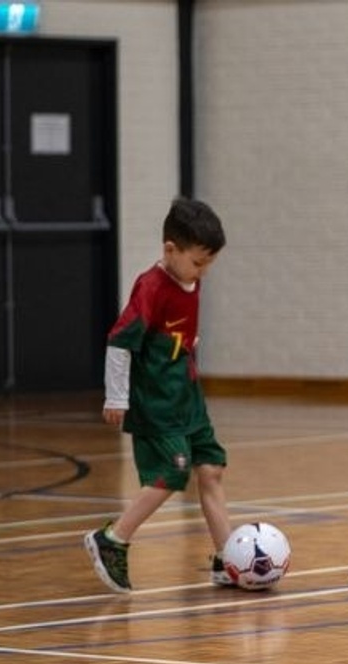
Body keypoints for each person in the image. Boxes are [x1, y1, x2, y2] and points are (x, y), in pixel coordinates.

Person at [84, 198, 233, 593]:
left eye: (208, 264)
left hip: (188, 397)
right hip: (156, 403)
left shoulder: (192, 280)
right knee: (171, 475)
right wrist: (117, 397)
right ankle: (113, 538)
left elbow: (178, 331)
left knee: (211, 469)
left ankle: (228, 560)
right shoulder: (151, 287)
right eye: (198, 263)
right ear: (170, 250)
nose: (204, 272)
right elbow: (120, 341)